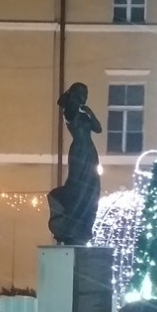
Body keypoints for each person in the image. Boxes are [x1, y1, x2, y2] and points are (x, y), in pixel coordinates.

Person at [47, 82, 103, 246]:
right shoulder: (70, 111)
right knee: (77, 186)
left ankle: (82, 226)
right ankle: (71, 224)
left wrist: (90, 112)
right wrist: (71, 98)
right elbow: (64, 104)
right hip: (79, 152)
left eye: (87, 93)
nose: (86, 97)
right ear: (76, 95)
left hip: (90, 152)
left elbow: (98, 129)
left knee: (91, 188)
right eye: (83, 93)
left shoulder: (84, 114)